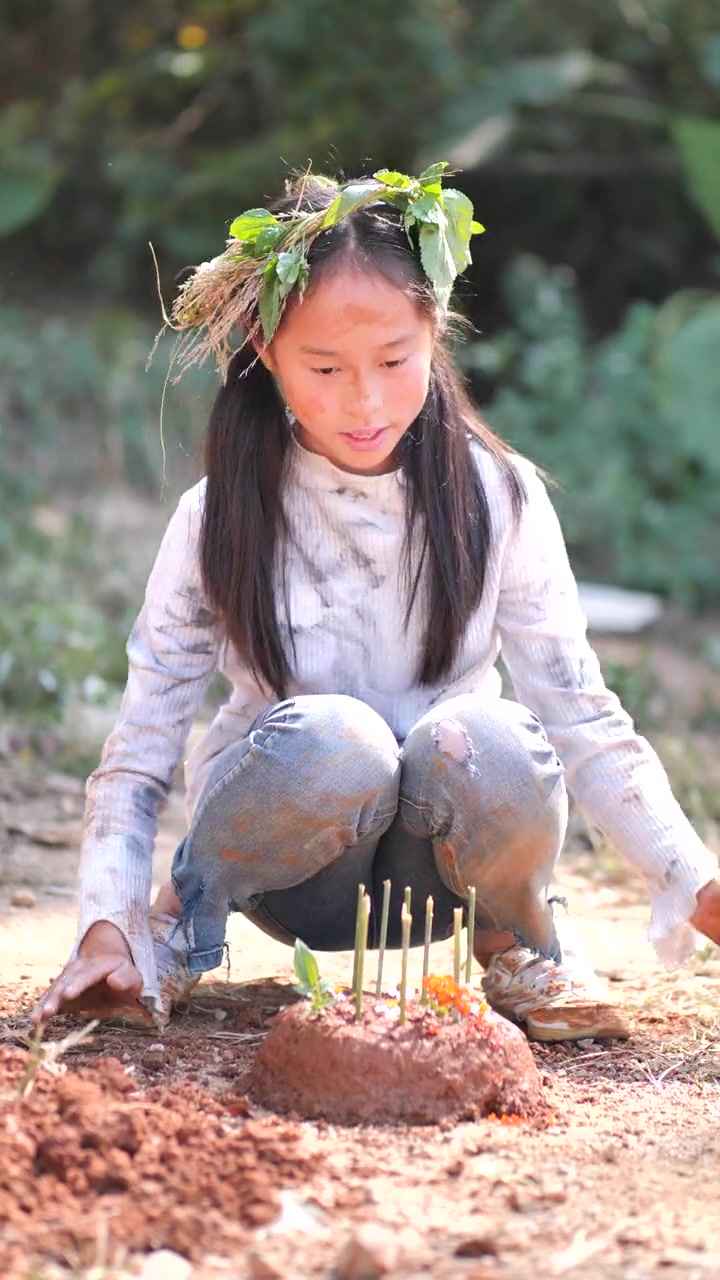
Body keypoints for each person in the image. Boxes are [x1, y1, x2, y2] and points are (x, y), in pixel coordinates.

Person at [36, 164, 720, 1043]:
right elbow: (141, 746)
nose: (362, 401)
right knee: (336, 737)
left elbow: (583, 715)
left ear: (433, 331)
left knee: (490, 735)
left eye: (395, 360)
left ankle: (516, 938)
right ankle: (175, 927)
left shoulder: (499, 496)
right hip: (292, 869)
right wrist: (109, 918)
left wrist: (692, 876)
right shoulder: (216, 515)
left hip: (446, 872)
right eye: (323, 366)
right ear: (264, 349)